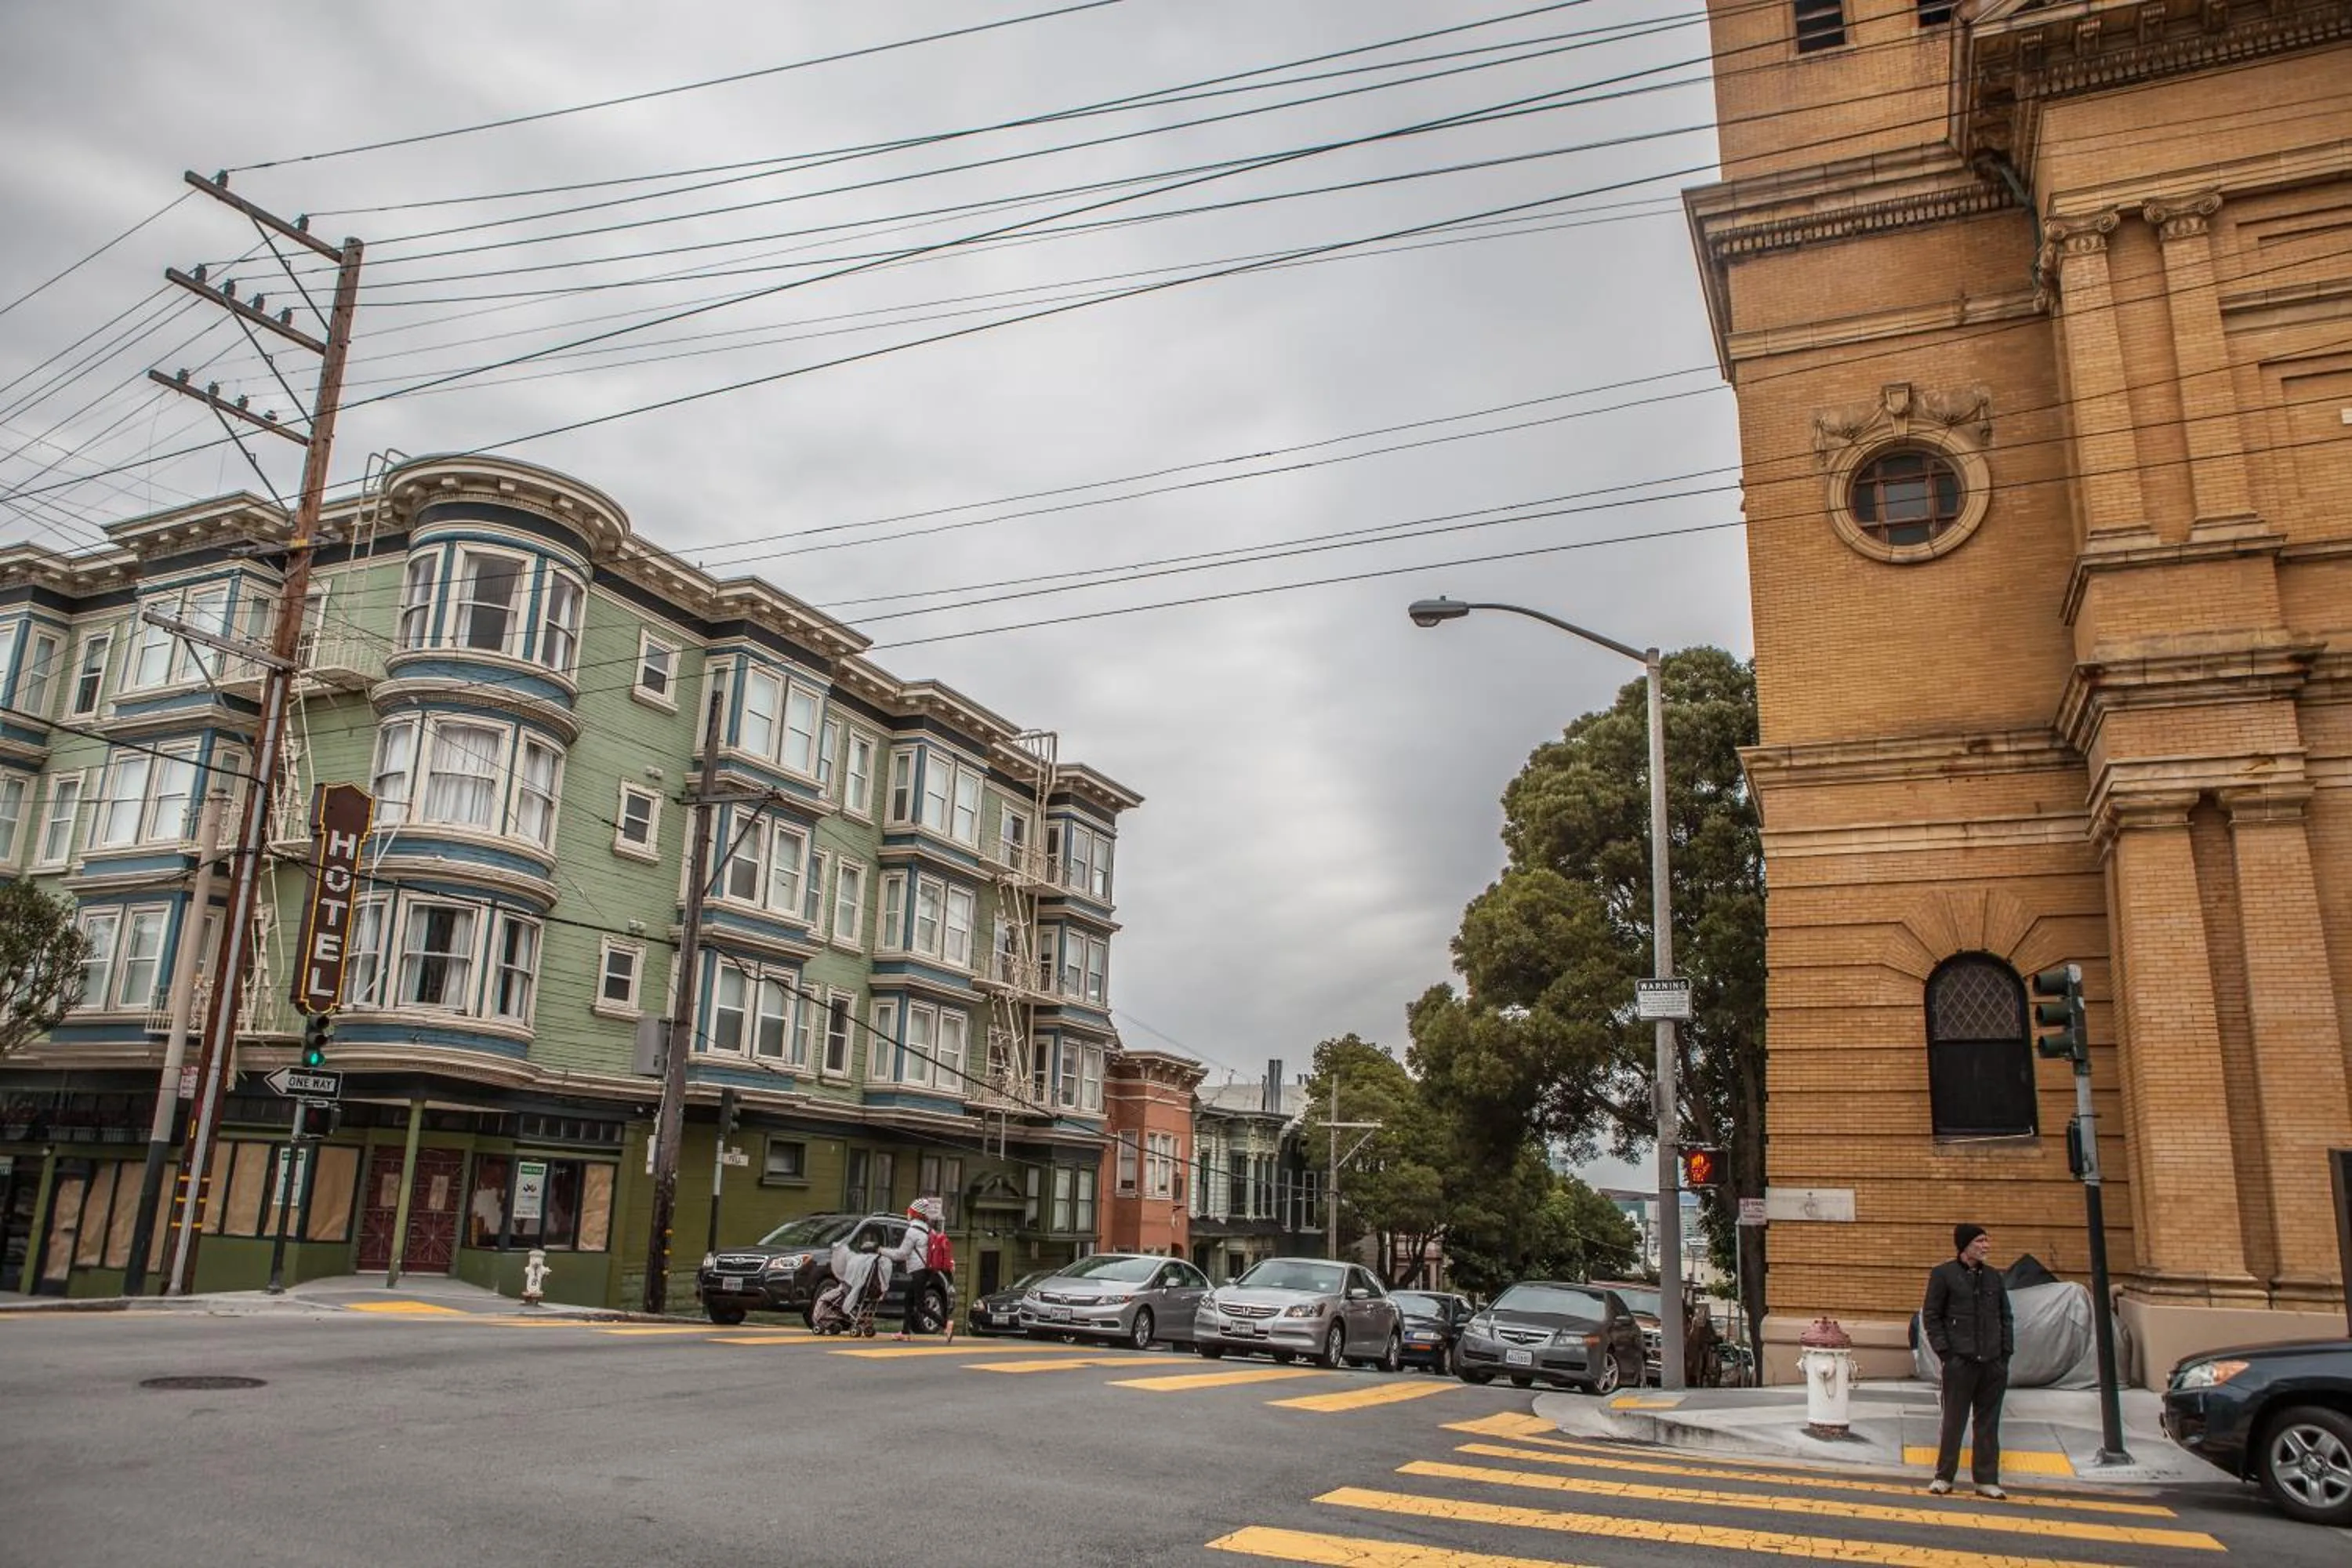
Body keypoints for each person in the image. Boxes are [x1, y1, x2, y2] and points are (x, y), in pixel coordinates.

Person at [1921, 1222, 2013, 1499]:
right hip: (1960, 1361)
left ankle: (1986, 1480)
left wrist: (2005, 1353)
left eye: (1987, 1241)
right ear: (1964, 1246)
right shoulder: (1943, 1275)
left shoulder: (1994, 1277)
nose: (1986, 1246)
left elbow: (2005, 1316)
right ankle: (1944, 1476)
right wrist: (1946, 1354)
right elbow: (1931, 1316)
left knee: (1988, 1422)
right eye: (1980, 1241)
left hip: (1992, 1362)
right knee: (1953, 1420)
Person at [887, 1196, 953, 1342]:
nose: (908, 1214)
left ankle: (945, 1324)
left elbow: (901, 1254)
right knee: (908, 1300)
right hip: (926, 1271)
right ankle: (905, 1332)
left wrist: (881, 1251)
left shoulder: (913, 1232)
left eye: (909, 1211)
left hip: (919, 1272)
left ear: (914, 1213)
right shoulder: (929, 1230)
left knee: (920, 1305)